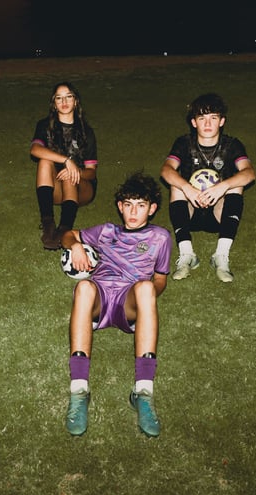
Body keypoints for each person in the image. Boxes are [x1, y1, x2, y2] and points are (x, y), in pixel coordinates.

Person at [60, 171, 171, 438]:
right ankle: (79, 391)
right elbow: (67, 235)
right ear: (120, 206)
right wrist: (75, 245)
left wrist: (147, 298)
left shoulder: (160, 238)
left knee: (146, 287)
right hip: (100, 298)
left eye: (141, 205)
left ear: (152, 209)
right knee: (83, 287)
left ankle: (143, 393)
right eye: (128, 204)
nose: (134, 212)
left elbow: (160, 279)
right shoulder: (106, 231)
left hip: (129, 303)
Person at [160, 93, 256, 282]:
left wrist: (223, 186)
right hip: (190, 213)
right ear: (194, 122)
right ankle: (187, 255)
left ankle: (220, 256)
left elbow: (249, 173)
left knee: (235, 186)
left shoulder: (231, 145)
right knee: (176, 185)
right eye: (202, 118)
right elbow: (166, 170)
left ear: (222, 121)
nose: (207, 124)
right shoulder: (184, 143)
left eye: (213, 118)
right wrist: (187, 188)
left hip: (220, 214)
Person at [30, 82, 98, 250]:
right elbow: (35, 150)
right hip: (55, 188)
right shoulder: (45, 125)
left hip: (82, 189)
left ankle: (64, 228)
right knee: (45, 161)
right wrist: (67, 161)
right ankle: (48, 224)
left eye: (68, 96)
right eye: (59, 98)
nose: (64, 101)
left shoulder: (86, 131)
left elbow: (92, 173)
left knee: (69, 176)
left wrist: (76, 172)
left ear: (75, 101)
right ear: (54, 103)